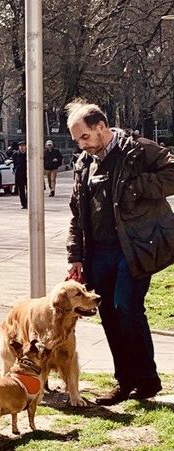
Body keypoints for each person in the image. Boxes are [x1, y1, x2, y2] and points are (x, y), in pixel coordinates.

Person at [65, 100, 174, 405]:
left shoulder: (139, 150)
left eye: (85, 137)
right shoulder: (83, 164)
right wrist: (76, 255)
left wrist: (137, 186)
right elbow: (77, 214)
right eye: (77, 141)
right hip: (98, 252)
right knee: (108, 314)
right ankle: (125, 382)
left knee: (127, 307)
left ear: (101, 127)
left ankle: (148, 380)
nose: (82, 145)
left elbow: (171, 175)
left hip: (136, 247)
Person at [12, 141, 28, 209]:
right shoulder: (15, 154)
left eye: (23, 146)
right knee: (21, 190)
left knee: (29, 189)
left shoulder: (28, 154)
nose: (22, 148)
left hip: (27, 174)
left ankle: (28, 202)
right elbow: (15, 164)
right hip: (19, 174)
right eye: (20, 146)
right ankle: (23, 204)